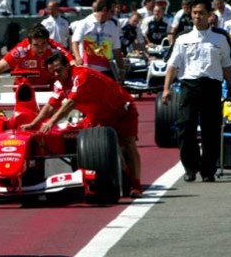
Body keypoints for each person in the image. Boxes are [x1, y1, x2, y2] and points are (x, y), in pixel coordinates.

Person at [21, 52, 143, 198]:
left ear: (67, 66)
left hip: (122, 110)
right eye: (52, 72)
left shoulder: (81, 75)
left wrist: (51, 122)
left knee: (128, 144)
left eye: (58, 70)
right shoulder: (58, 84)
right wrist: (34, 123)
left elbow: (70, 103)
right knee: (107, 148)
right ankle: (121, 178)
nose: (56, 74)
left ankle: (136, 185)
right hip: (98, 115)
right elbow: (50, 105)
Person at [162, 0, 231, 183]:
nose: (197, 16)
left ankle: (208, 169)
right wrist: (166, 88)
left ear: (209, 15)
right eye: (194, 13)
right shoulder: (183, 39)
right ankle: (190, 167)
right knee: (186, 127)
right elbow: (173, 65)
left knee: (212, 130)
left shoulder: (220, 38)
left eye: (201, 13)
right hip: (189, 86)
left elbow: (227, 65)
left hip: (212, 86)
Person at [0, 24, 74, 98]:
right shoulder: (21, 50)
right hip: (24, 89)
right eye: (36, 45)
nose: (40, 49)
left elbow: (72, 63)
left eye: (43, 44)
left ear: (48, 41)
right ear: (30, 42)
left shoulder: (54, 48)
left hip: (48, 88)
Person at [71, 0, 125, 80]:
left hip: (106, 70)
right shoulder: (85, 23)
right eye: (112, 11)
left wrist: (122, 69)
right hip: (87, 68)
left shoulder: (114, 25)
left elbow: (117, 50)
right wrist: (78, 57)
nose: (114, 14)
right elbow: (75, 42)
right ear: (104, 9)